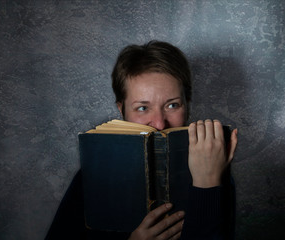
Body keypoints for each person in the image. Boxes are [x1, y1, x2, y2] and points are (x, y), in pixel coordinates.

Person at [45, 40, 238, 240]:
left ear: (187, 104)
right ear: (122, 110)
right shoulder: (93, 176)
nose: (160, 124)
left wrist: (207, 183)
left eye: (172, 105)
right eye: (143, 108)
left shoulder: (217, 171)